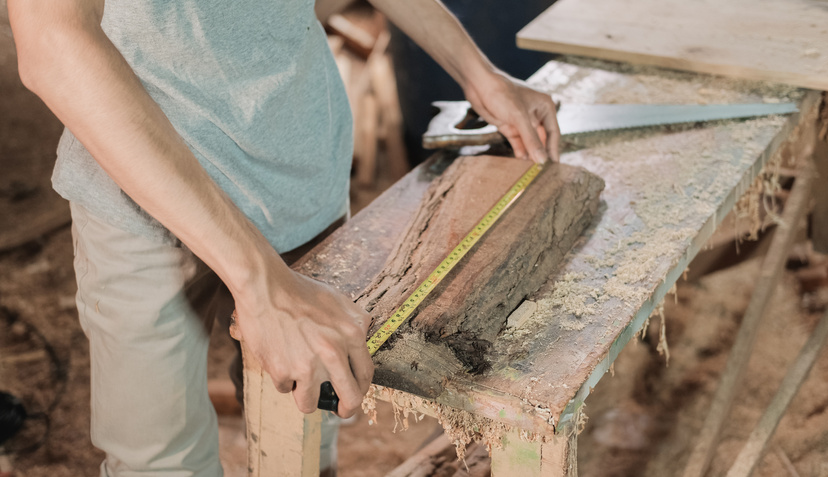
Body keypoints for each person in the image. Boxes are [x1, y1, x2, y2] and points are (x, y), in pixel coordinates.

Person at [8, 0, 560, 475]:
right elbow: (55, 41)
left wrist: (476, 71)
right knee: (158, 461)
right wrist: (260, 282)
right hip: (139, 195)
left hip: (298, 172)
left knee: (301, 440)